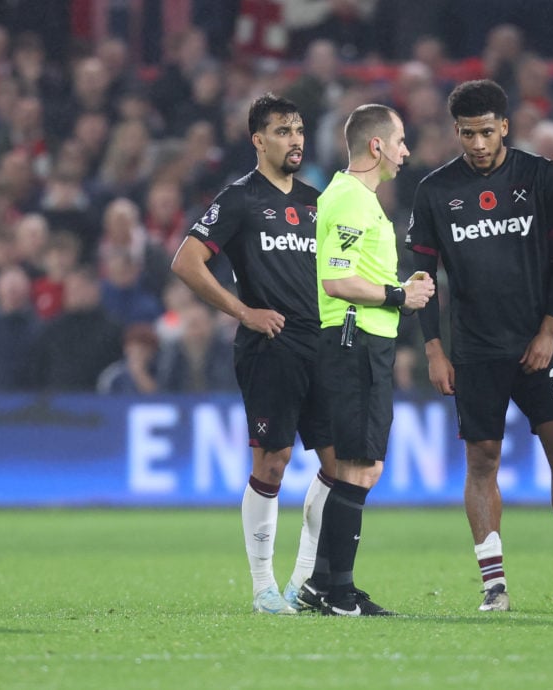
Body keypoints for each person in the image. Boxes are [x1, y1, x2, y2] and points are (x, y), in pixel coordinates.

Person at [406, 79, 553, 612]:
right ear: (456, 131)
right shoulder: (435, 190)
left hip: (537, 345)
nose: (476, 143)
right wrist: (433, 349)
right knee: (482, 460)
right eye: (467, 134)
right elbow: (420, 277)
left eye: (486, 132)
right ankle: (494, 585)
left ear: (505, 127)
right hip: (473, 349)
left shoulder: (540, 175)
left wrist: (548, 329)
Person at [171, 93, 336, 615]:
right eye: (283, 131)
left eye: (300, 130)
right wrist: (243, 312)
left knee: (340, 465)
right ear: (258, 140)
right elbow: (186, 261)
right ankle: (264, 588)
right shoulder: (239, 198)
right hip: (270, 346)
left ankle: (304, 582)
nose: (295, 140)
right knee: (274, 461)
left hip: (322, 343)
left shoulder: (319, 200)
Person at [302, 103, 434, 617]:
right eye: (400, 140)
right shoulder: (351, 201)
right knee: (360, 467)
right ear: (376, 146)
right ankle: (337, 591)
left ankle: (323, 583)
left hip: (365, 340)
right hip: (355, 341)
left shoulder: (357, 199)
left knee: (362, 466)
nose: (406, 150)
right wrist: (400, 296)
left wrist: (402, 289)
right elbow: (338, 281)